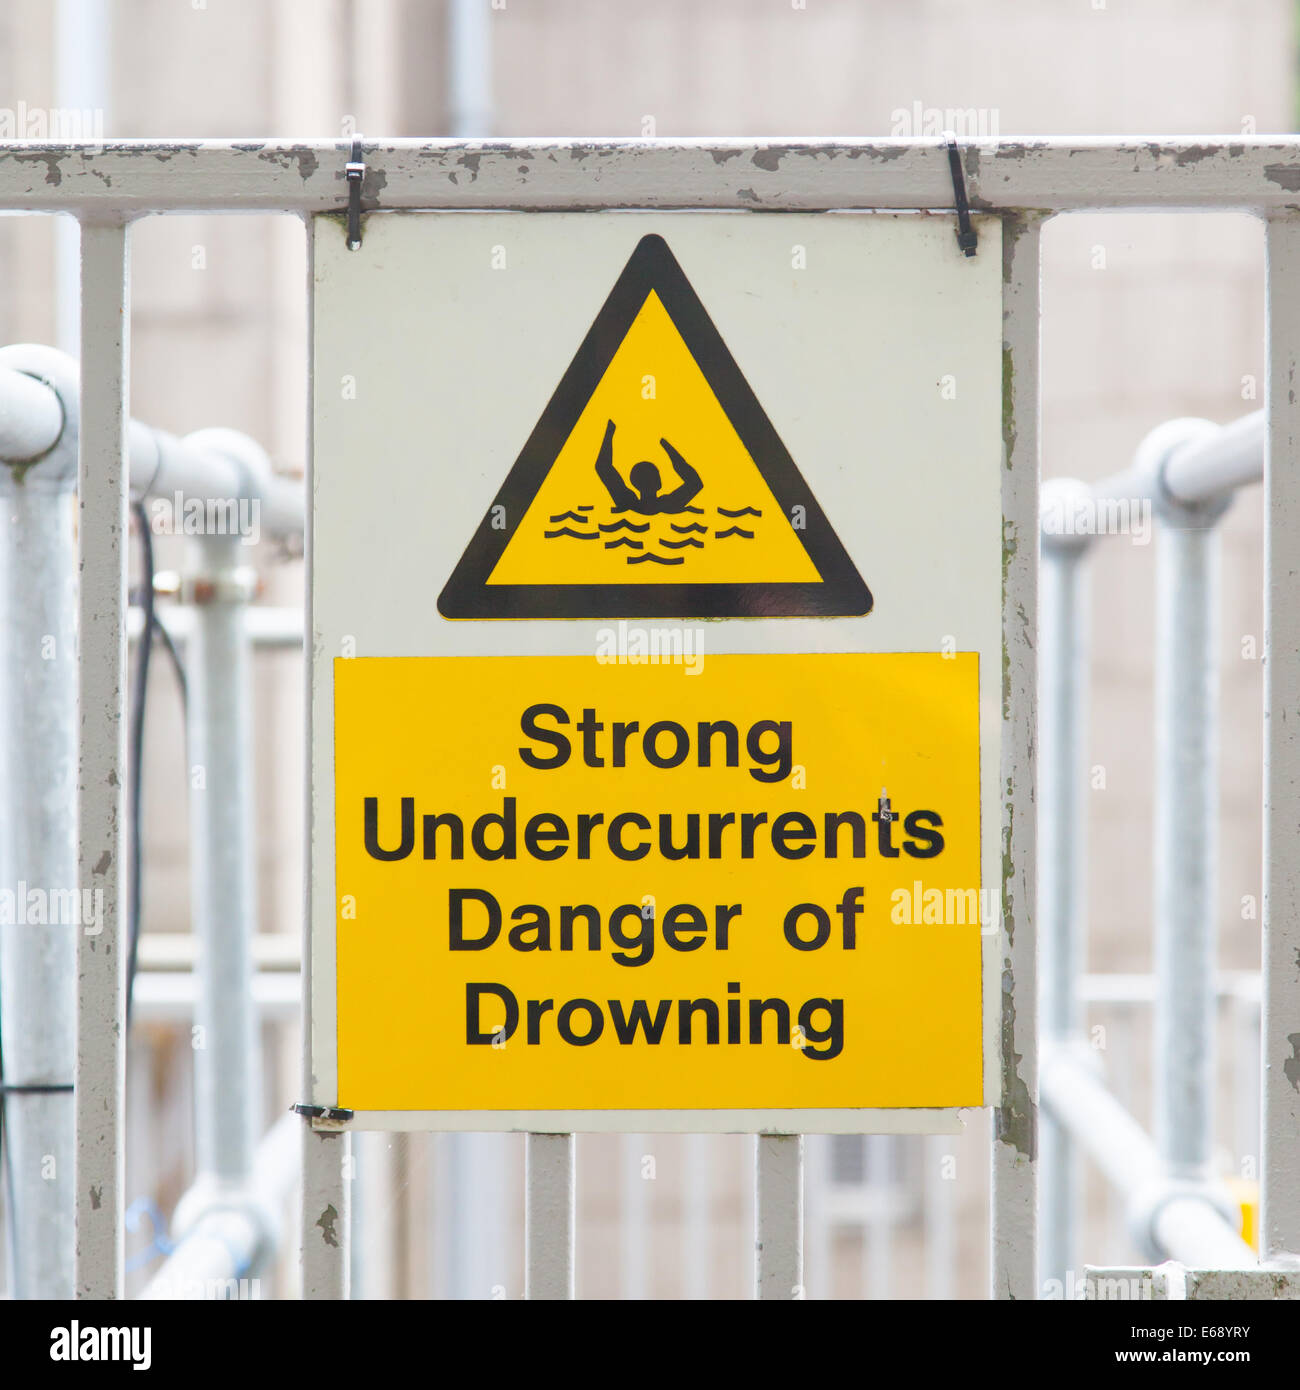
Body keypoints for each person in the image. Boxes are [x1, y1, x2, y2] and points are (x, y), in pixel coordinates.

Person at [595, 418, 703, 515]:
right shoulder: (668, 504)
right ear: (656, 481)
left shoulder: (628, 502)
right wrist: (667, 447)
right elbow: (695, 483)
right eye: (656, 474)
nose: (659, 477)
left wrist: (609, 433)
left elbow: (603, 467)